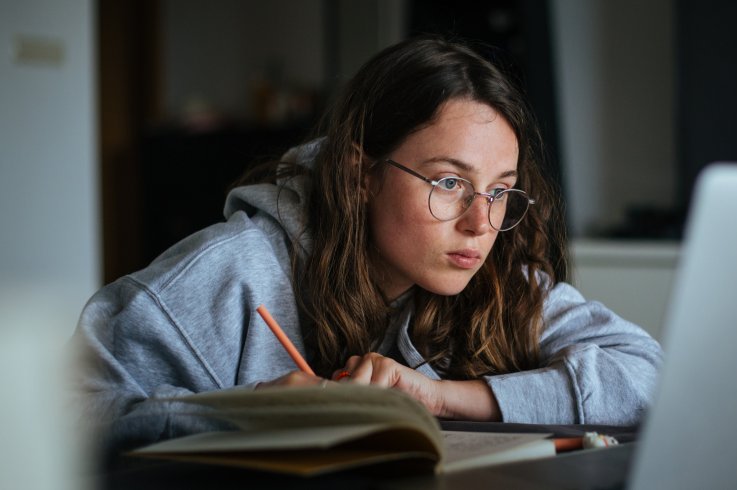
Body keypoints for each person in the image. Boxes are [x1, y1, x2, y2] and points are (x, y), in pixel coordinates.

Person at [72, 35, 662, 462]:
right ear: (361, 176)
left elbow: (650, 376)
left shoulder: (497, 274)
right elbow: (67, 412)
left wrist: (447, 399)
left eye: (500, 191)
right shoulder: (231, 273)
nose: (481, 223)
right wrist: (247, 412)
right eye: (449, 182)